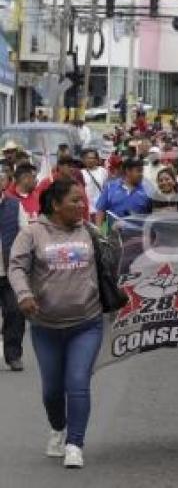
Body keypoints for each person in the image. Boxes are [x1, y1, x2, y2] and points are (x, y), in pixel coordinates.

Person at [8, 179, 103, 468]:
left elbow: (113, 259)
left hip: (86, 323)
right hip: (45, 326)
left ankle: (75, 443)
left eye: (82, 200)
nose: (82, 205)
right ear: (55, 204)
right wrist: (24, 295)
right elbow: (16, 266)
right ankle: (58, 429)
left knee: (77, 383)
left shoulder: (89, 230)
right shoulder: (32, 233)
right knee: (51, 390)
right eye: (75, 200)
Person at [0, 169, 28, 371]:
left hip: (10, 271)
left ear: (6, 183)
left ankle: (13, 355)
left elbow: (26, 235)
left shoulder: (15, 206)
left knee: (15, 313)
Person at [95, 158, 152, 228]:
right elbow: (101, 211)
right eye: (139, 171)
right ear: (128, 171)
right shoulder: (110, 187)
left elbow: (152, 215)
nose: (141, 174)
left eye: (142, 171)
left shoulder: (147, 189)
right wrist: (98, 231)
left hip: (138, 236)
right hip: (114, 236)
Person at [80, 149, 107, 222]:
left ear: (97, 160)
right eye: (88, 158)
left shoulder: (102, 171)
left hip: (100, 209)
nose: (90, 160)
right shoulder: (81, 173)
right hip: (86, 209)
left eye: (93, 158)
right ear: (84, 160)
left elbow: (106, 189)